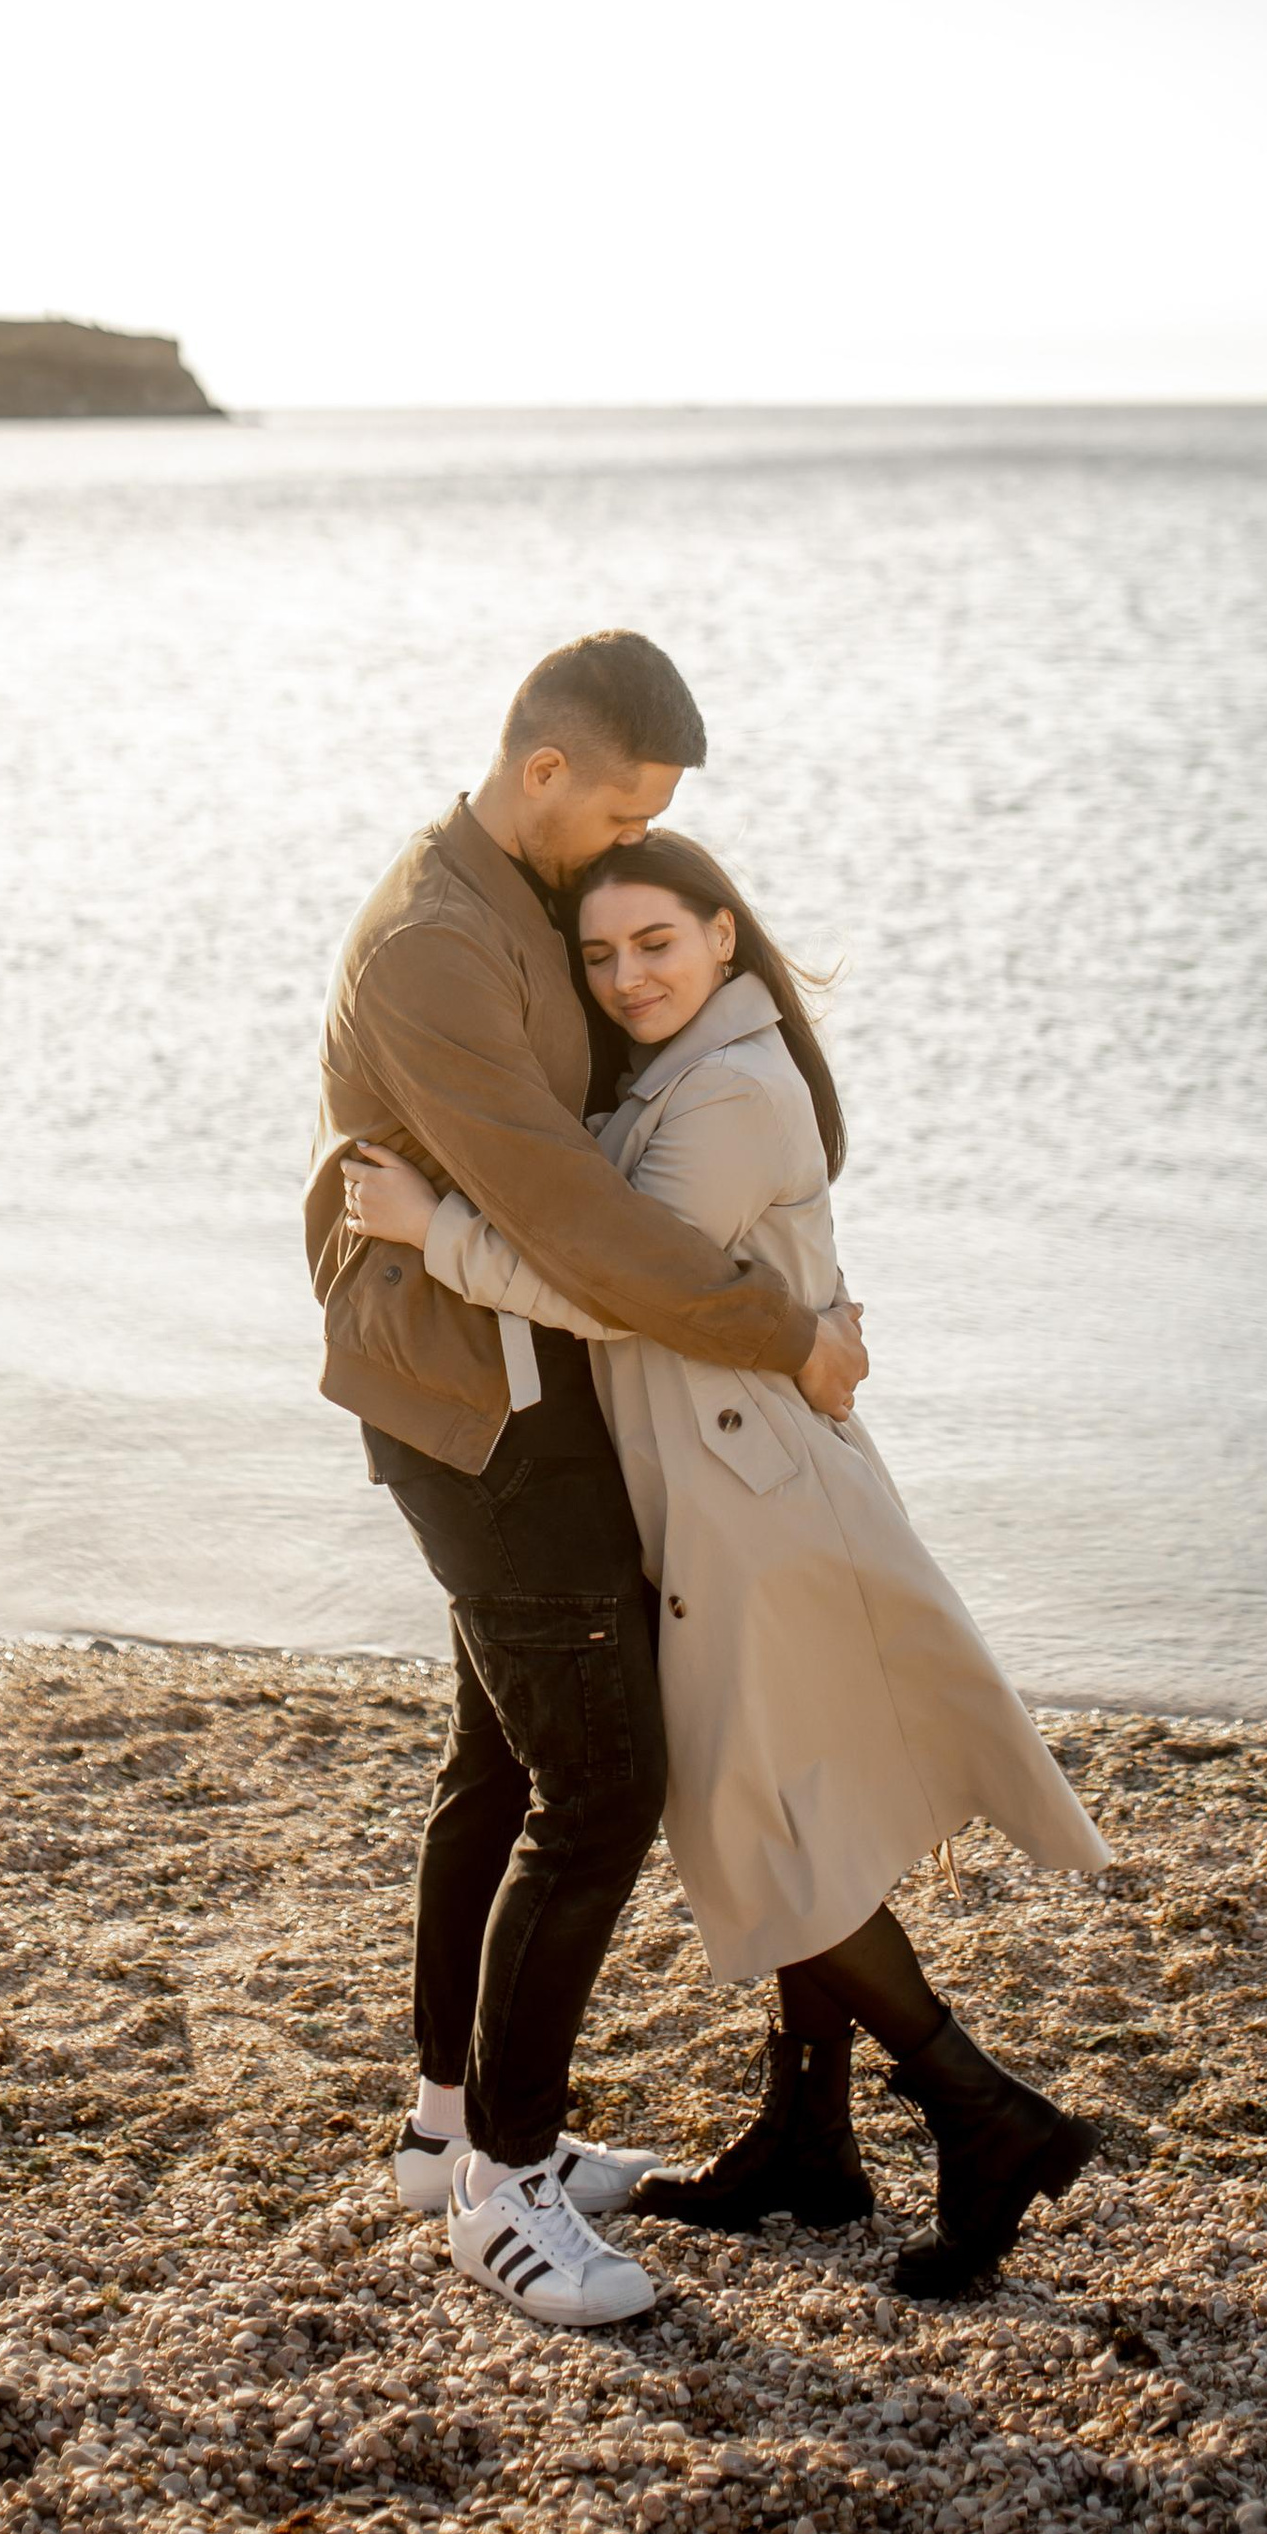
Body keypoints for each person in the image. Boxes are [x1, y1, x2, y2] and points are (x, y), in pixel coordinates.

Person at [343, 827, 1112, 2303]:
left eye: (658, 945)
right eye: (599, 955)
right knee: (780, 1811)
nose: (629, 976)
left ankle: (981, 2110)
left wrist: (432, 1229)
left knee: (767, 1821)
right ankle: (812, 2140)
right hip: (721, 1491)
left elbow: (608, 1284)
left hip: (758, 1510)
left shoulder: (735, 1089)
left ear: (726, 938)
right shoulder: (676, 1069)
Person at [308, 632, 868, 2331]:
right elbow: (568, 1211)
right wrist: (782, 1331)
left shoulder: (526, 898)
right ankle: (505, 2189)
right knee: (599, 1789)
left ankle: (447, 2125)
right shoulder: (435, 947)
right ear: (544, 770)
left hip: (536, 1389)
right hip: (478, 1412)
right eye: (623, 803)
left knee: (497, 1759)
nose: (629, 840)